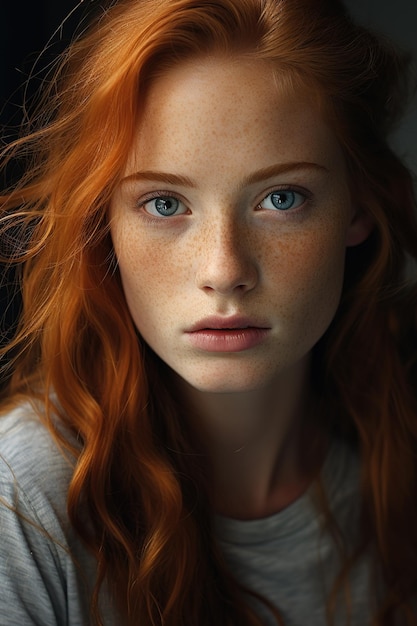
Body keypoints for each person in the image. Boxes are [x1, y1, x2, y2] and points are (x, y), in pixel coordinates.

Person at [0, 0, 416, 624]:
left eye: (281, 198)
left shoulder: (398, 466)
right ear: (102, 222)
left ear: (356, 207)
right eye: (165, 205)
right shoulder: (24, 500)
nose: (224, 270)